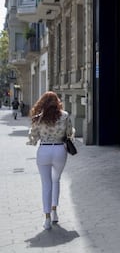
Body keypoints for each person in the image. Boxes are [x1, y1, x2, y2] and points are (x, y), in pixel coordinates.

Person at [26, 91, 75, 230]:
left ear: (42, 102)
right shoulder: (64, 116)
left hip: (44, 151)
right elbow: (70, 134)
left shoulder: (38, 118)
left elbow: (33, 137)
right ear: (57, 101)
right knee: (56, 180)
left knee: (46, 184)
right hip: (59, 150)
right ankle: (54, 212)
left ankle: (47, 219)